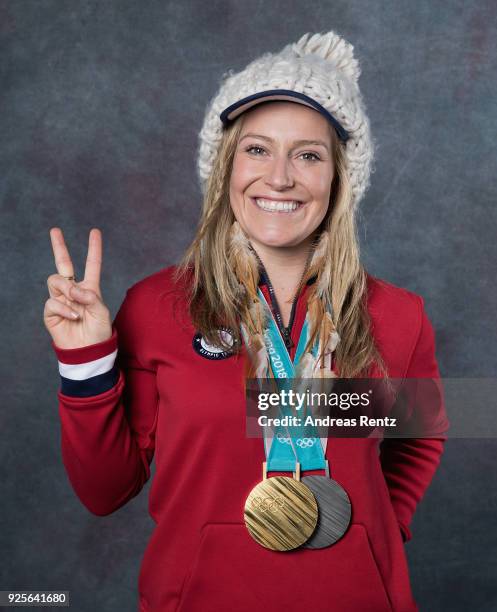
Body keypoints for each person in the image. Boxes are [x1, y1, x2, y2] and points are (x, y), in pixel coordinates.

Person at [44, 31, 448, 612]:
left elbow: (425, 432)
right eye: (257, 149)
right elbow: (104, 493)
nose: (279, 177)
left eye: (308, 154)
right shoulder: (156, 307)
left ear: (339, 177)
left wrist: (378, 532)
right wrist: (85, 360)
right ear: (225, 165)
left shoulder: (400, 314)